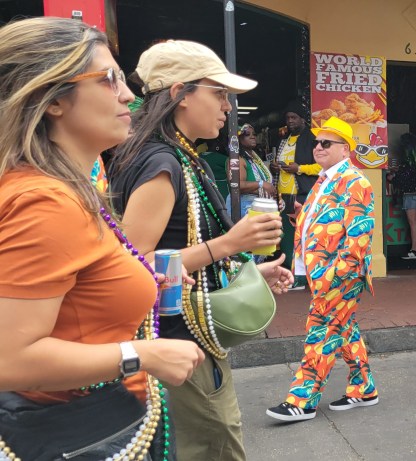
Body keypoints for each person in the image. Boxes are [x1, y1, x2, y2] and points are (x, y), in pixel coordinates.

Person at [0, 17, 204, 459]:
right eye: (109, 79)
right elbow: (9, 359)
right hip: (78, 431)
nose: (128, 95)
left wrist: (129, 278)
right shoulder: (45, 200)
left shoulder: (63, 186)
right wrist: (141, 355)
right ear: (53, 99)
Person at [108, 39, 293, 461]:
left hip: (187, 340)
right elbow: (131, 265)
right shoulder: (161, 163)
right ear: (180, 93)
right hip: (175, 342)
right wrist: (231, 243)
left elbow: (178, 248)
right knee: (214, 445)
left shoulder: (181, 157)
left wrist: (244, 272)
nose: (227, 107)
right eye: (219, 93)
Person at [267, 117, 379, 422]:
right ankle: (364, 388)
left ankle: (302, 400)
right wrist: (303, 217)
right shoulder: (325, 179)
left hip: (339, 274)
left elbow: (359, 234)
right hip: (323, 272)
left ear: (345, 149)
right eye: (317, 142)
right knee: (345, 329)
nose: (318, 147)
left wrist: (337, 273)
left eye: (326, 143)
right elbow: (329, 219)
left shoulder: (355, 181)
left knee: (321, 330)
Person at [273, 100, 319, 280]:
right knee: (286, 236)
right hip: (283, 196)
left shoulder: (312, 139)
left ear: (302, 119)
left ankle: (301, 277)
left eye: (294, 117)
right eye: (288, 118)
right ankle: (289, 272)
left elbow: (321, 167)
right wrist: (275, 167)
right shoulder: (283, 139)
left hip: (303, 194)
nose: (290, 121)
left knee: (302, 234)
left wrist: (299, 168)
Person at [388, 133, 416, 260]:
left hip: (410, 195)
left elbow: (402, 181)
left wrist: (392, 177)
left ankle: (414, 251)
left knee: (412, 223)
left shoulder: (407, 163)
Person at [230, 123, 277, 217]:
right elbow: (237, 185)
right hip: (247, 206)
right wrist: (262, 184)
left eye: (254, 134)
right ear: (238, 139)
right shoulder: (237, 159)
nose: (253, 137)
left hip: (260, 204)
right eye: (247, 134)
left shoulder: (254, 158)